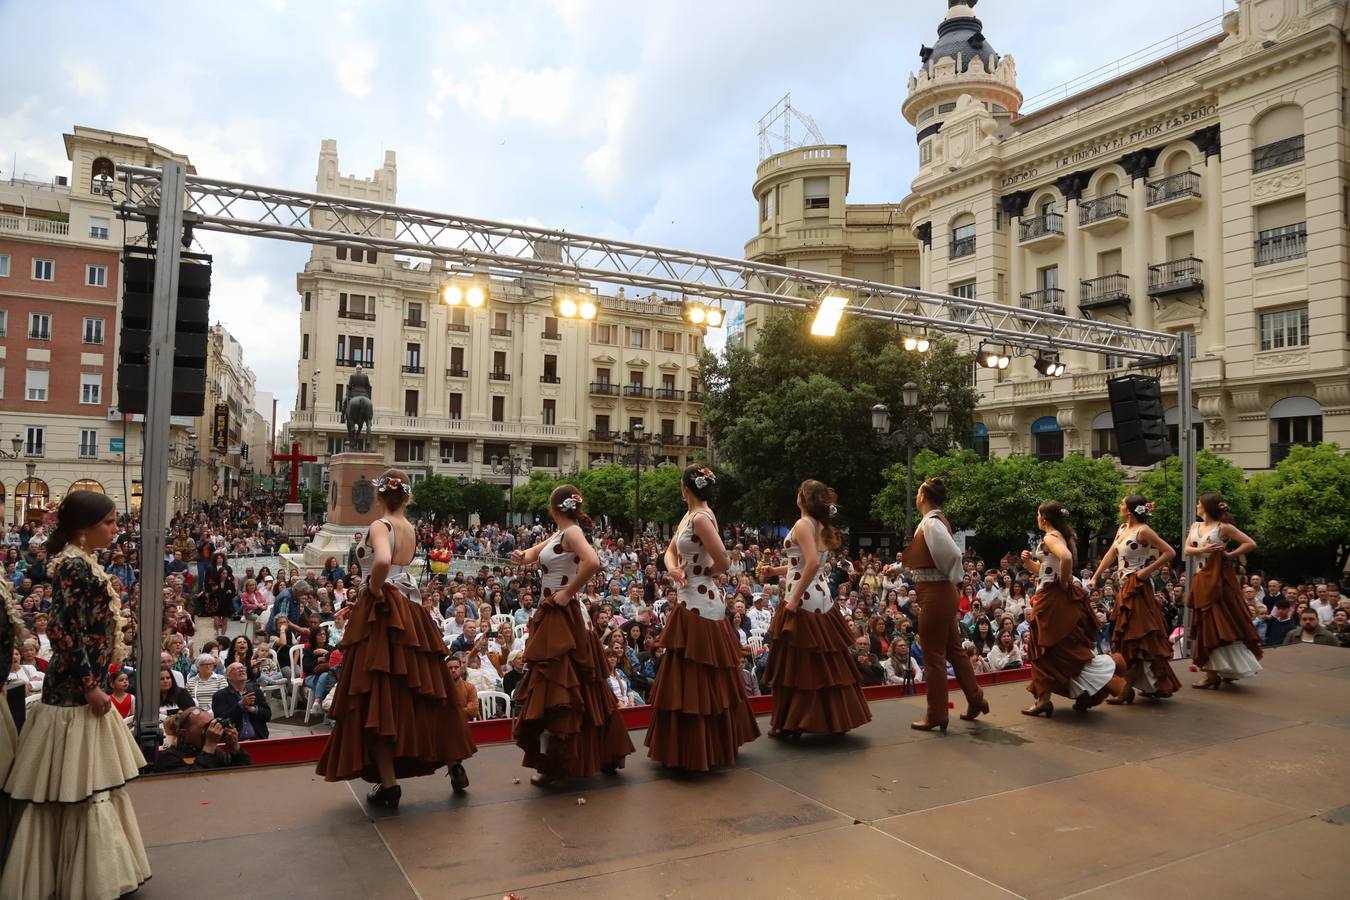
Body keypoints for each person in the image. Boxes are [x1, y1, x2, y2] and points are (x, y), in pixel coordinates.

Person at [2, 491, 151, 899]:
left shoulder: (83, 563)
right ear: (84, 529)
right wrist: (91, 685)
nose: (116, 529)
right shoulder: (72, 566)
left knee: (87, 784)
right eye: (109, 522)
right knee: (76, 785)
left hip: (83, 692)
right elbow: (66, 632)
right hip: (73, 696)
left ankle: (97, 871)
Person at [316, 470, 477, 810]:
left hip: (384, 612)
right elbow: (399, 567)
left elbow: (383, 562)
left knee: (379, 695)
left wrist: (371, 591)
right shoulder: (410, 528)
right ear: (407, 497)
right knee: (427, 689)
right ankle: (453, 762)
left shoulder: (380, 525)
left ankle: (390, 785)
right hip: (411, 611)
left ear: (378, 496)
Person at [509, 485, 634, 786]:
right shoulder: (560, 533)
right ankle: (606, 753)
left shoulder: (571, 533)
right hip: (555, 614)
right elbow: (532, 554)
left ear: (553, 509)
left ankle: (555, 763)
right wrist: (520, 555)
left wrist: (568, 592)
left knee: (556, 688)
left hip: (562, 614)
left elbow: (592, 562)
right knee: (583, 688)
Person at [761, 479, 871, 738]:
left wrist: (793, 599)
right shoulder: (820, 525)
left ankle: (794, 723)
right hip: (821, 597)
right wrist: (776, 570)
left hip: (804, 596)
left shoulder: (802, 523)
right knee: (825, 661)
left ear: (802, 498)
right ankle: (834, 719)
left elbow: (809, 564)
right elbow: (807, 564)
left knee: (798, 662)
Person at [901, 477, 988, 731]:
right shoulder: (935, 521)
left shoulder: (930, 524)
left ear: (923, 497)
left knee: (933, 656)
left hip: (936, 592)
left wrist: (954, 578)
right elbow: (926, 561)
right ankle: (976, 699)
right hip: (940, 591)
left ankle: (937, 713)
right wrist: (898, 568)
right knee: (954, 650)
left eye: (918, 492)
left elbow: (952, 555)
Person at [1021, 500, 1122, 718]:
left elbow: (1065, 559)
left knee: (1046, 648)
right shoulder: (1061, 535)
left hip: (1051, 599)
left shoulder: (1050, 536)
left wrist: (1064, 583)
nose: (1036, 518)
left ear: (1044, 518)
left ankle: (1048, 699)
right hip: (1050, 596)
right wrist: (1029, 563)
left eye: (1038, 514)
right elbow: (1048, 568)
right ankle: (1045, 699)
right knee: (1051, 650)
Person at [1090, 494, 1181, 704]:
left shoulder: (1143, 530)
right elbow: (1111, 554)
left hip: (1138, 589)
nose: (1120, 505)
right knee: (1132, 637)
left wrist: (1145, 571)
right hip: (1124, 588)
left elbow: (1169, 552)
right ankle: (1150, 685)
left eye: (1122, 503)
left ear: (1130, 510)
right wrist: (1096, 576)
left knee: (1136, 637)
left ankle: (1127, 689)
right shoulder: (1122, 529)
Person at [1186, 493, 1263, 689]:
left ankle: (1213, 673)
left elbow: (1250, 543)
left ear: (1207, 507)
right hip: (1201, 577)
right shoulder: (1195, 526)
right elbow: (1187, 550)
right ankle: (1218, 670)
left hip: (1218, 580)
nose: (1197, 506)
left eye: (1199, 503)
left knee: (1218, 623)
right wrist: (1203, 551)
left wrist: (1229, 554)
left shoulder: (1223, 527)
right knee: (1207, 623)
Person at [154, 707, 252, 772]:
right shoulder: (168, 757)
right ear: (184, 733)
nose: (211, 731)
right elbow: (192, 783)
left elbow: (243, 774)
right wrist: (209, 746)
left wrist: (235, 749)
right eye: (205, 727)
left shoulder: (217, 753)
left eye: (211, 724)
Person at [212, 661, 272, 740]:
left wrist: (254, 709)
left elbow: (268, 715)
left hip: (258, 739)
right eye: (237, 669)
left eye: (243, 668)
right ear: (229, 676)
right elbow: (221, 721)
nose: (242, 670)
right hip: (234, 742)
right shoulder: (220, 696)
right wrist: (240, 705)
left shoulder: (255, 691)